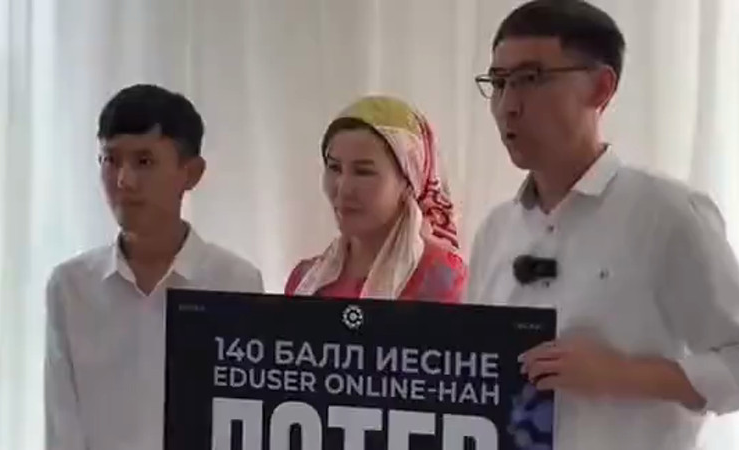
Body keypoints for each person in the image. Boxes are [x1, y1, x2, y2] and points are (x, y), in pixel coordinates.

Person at [466, 1, 739, 449]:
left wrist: (622, 375)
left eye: (530, 79)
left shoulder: (667, 214)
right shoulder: (496, 231)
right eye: (498, 83)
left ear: (601, 88)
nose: (507, 106)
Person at [44, 84, 263, 450]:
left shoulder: (235, 283)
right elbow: (61, 426)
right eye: (110, 160)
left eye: (144, 162)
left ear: (191, 173)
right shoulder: (70, 286)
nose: (124, 181)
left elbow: (243, 422)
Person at [285, 95, 467, 302]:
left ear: (408, 181)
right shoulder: (305, 281)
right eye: (334, 167)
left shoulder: (444, 281)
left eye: (363, 172)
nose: (343, 189)